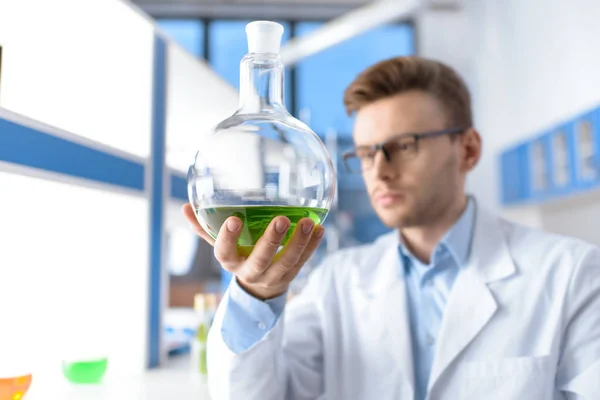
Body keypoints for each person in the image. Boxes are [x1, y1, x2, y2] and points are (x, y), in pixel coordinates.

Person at [182, 56, 600, 400]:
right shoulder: (337, 283)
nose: (378, 171)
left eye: (402, 146)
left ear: (468, 149)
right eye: (364, 154)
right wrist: (257, 295)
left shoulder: (574, 275)